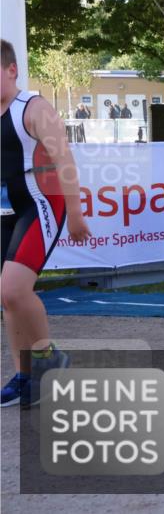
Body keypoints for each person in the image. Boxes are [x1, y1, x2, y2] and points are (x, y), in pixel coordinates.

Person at [1, 39, 91, 408]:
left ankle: (48, 358)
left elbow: (64, 158)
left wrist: (75, 212)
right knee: (7, 298)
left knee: (14, 289)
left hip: (40, 204)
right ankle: (25, 376)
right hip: (6, 210)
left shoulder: (34, 108)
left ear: (11, 70)